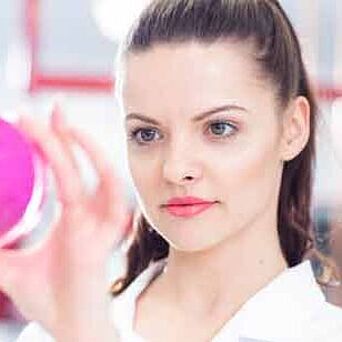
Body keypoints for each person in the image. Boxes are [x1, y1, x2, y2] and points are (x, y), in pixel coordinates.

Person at [1, 0, 341, 340]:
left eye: (219, 128)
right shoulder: (53, 332)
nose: (176, 168)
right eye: (146, 134)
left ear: (293, 128)